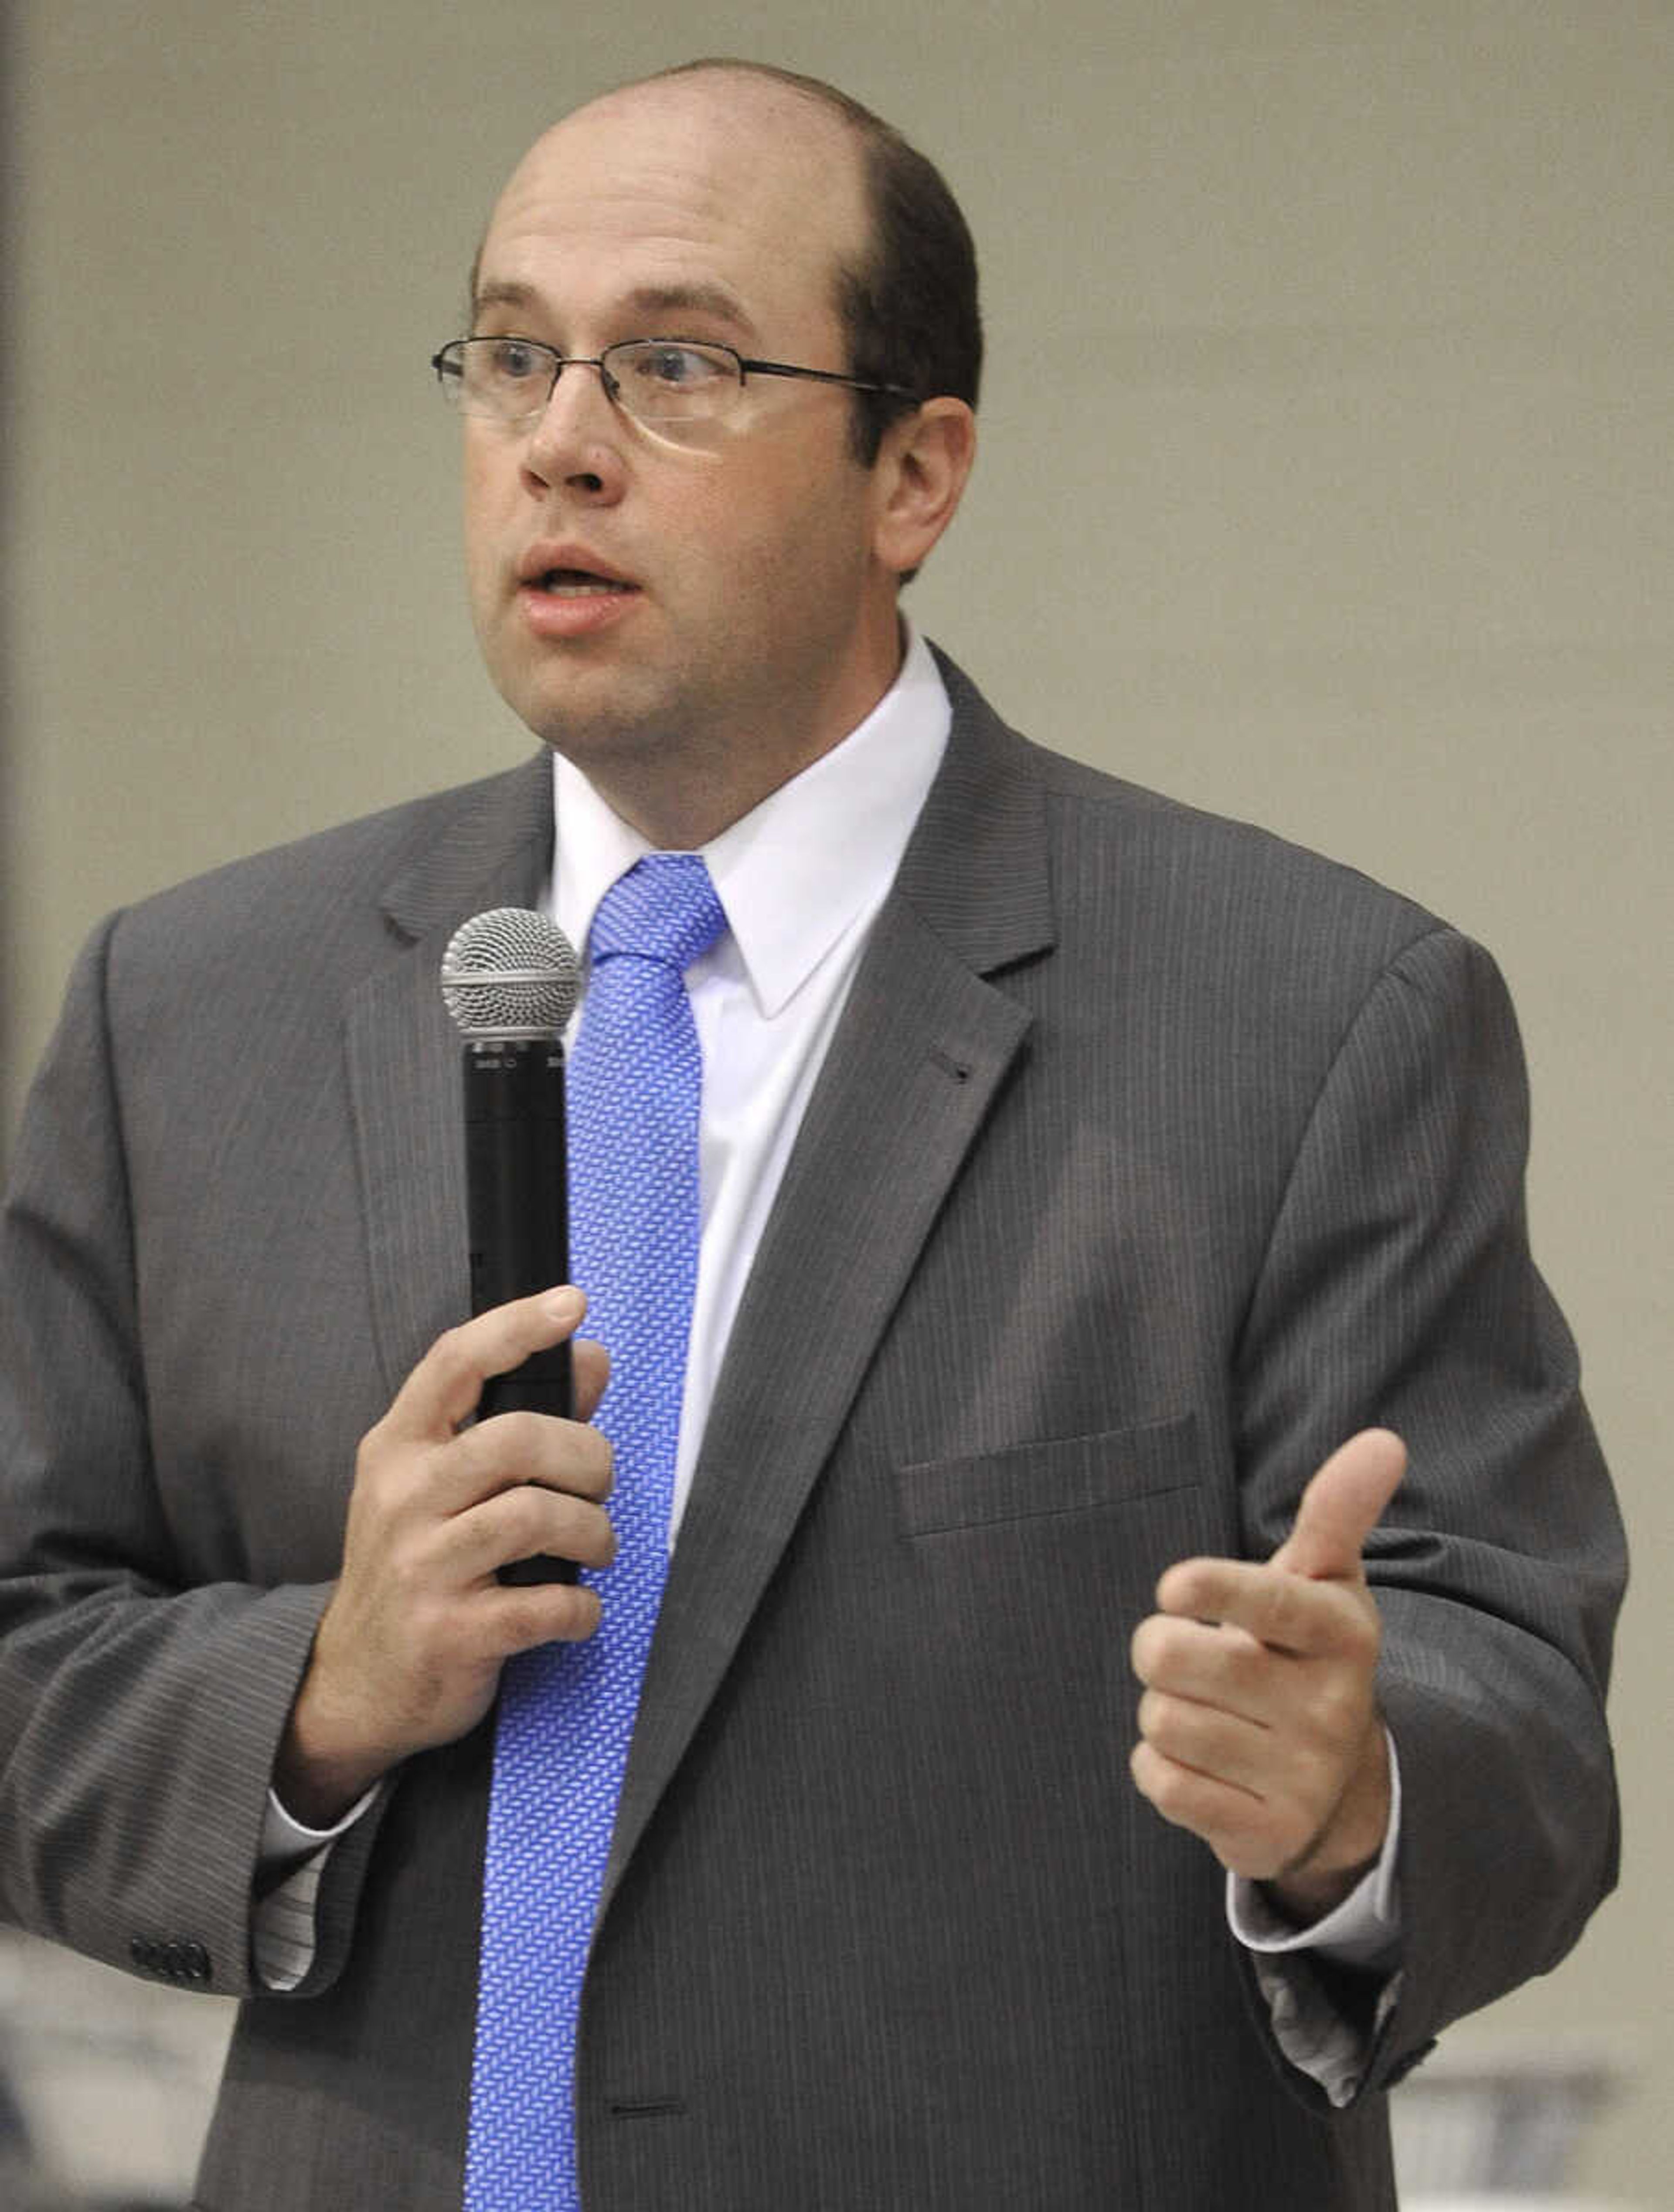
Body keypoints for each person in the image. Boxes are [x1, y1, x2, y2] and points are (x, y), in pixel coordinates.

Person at [0, 58, 1624, 2212]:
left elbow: (1504, 1699)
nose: (559, 440)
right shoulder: (189, 1009)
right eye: (508, 357)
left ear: (914, 472)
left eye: (673, 363)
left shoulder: (1308, 1018)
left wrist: (1350, 1795)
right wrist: (311, 1694)